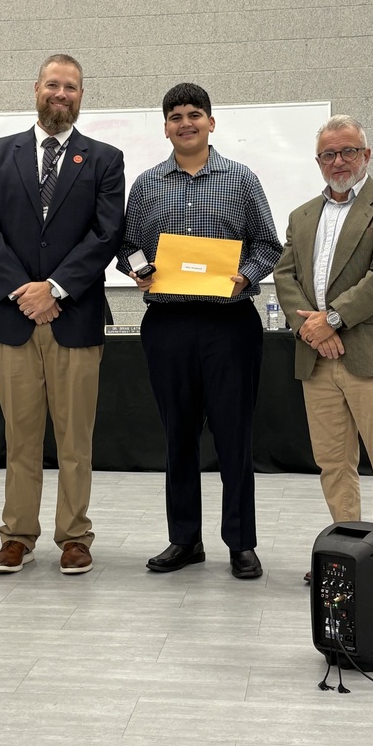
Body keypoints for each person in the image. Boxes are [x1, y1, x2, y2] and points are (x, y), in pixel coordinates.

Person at [117, 82, 282, 579]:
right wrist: (139, 269)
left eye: (194, 114)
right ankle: (184, 539)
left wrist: (247, 277)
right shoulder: (147, 184)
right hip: (167, 323)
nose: (185, 123)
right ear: (165, 127)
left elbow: (268, 246)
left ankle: (240, 543)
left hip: (229, 323)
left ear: (211, 122)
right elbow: (126, 245)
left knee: (234, 436)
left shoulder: (241, 178)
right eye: (175, 117)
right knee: (178, 437)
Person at [0, 54, 125, 576]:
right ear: (36, 89)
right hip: (14, 322)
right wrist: (24, 291)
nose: (62, 94)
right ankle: (17, 535)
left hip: (74, 320)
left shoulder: (104, 159)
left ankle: (75, 537)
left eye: (72, 87)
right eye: (53, 85)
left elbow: (105, 234)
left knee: (75, 439)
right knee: (21, 438)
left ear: (82, 95)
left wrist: (56, 289)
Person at [273, 114, 373, 586]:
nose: (338, 162)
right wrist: (314, 331)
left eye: (348, 151)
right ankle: (346, 554)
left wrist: (329, 318)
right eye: (328, 154)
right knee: (333, 463)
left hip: (371, 357)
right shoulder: (301, 216)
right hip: (317, 359)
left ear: (366, 155)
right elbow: (285, 277)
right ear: (318, 162)